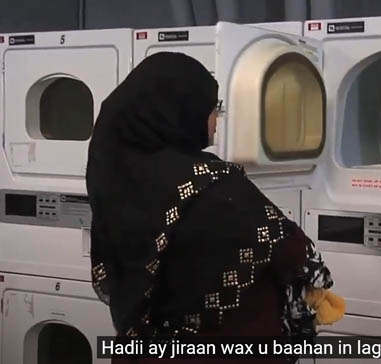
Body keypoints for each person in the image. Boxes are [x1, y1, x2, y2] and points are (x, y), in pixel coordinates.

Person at [86, 52, 345, 363]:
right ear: (182, 112)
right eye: (212, 109)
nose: (216, 120)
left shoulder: (116, 177)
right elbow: (291, 250)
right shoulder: (209, 183)